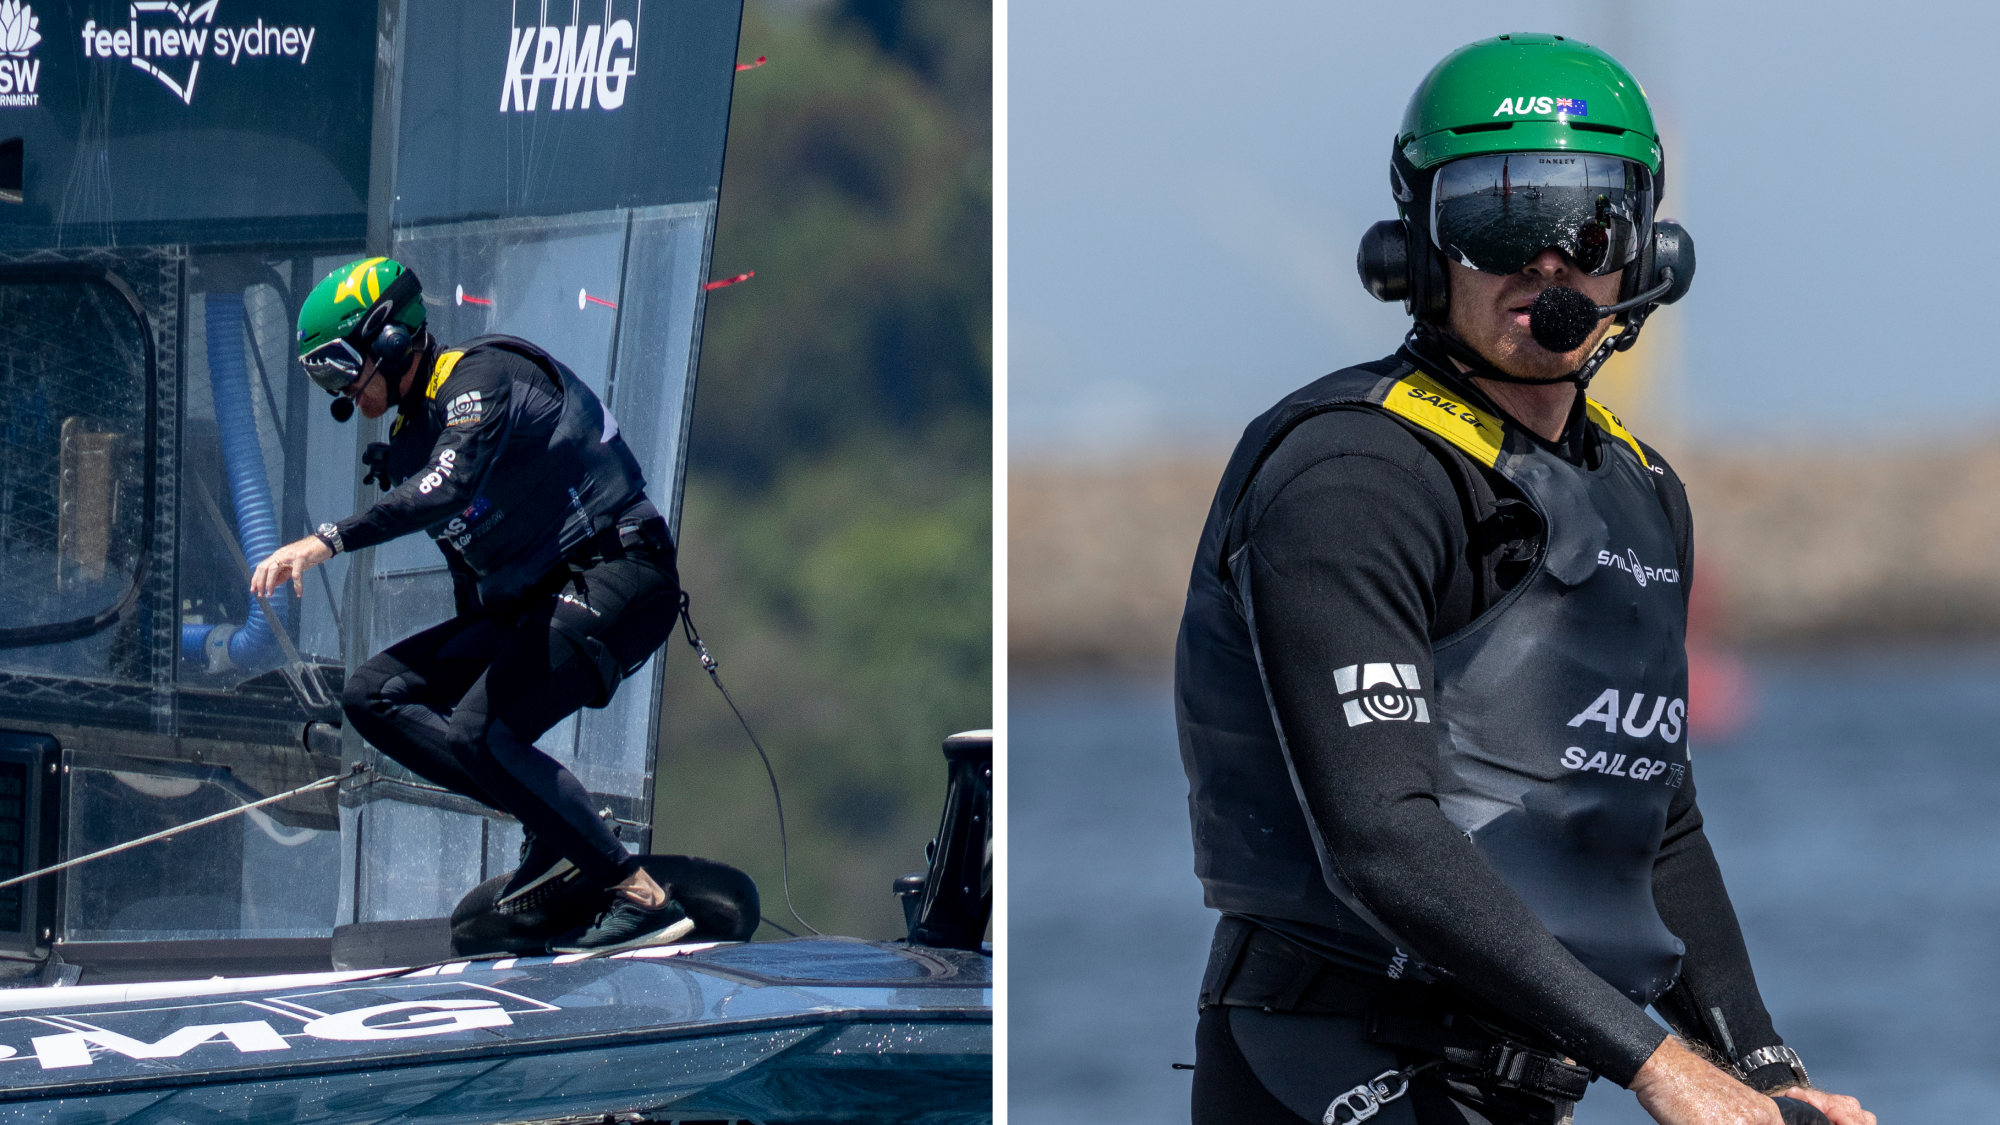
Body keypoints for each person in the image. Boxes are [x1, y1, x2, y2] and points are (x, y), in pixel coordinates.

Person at [1174, 35, 1875, 1125]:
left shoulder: (1638, 487)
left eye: (1588, 226)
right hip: (1335, 1055)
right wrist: (1657, 1067)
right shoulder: (1351, 475)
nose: (1545, 268)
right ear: (1417, 247)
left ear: (1644, 251)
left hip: (1522, 1075)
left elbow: (1656, 822)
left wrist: (1762, 1073)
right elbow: (1381, 844)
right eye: (1495, 224)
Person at [251, 256, 692, 953]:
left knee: (477, 732)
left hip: (622, 573)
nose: (340, 390)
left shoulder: (480, 379)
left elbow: (448, 491)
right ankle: (556, 826)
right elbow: (470, 574)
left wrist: (327, 539)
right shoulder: (409, 444)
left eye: (342, 365)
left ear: (392, 341)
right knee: (374, 693)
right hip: (542, 601)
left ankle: (638, 895)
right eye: (322, 376)